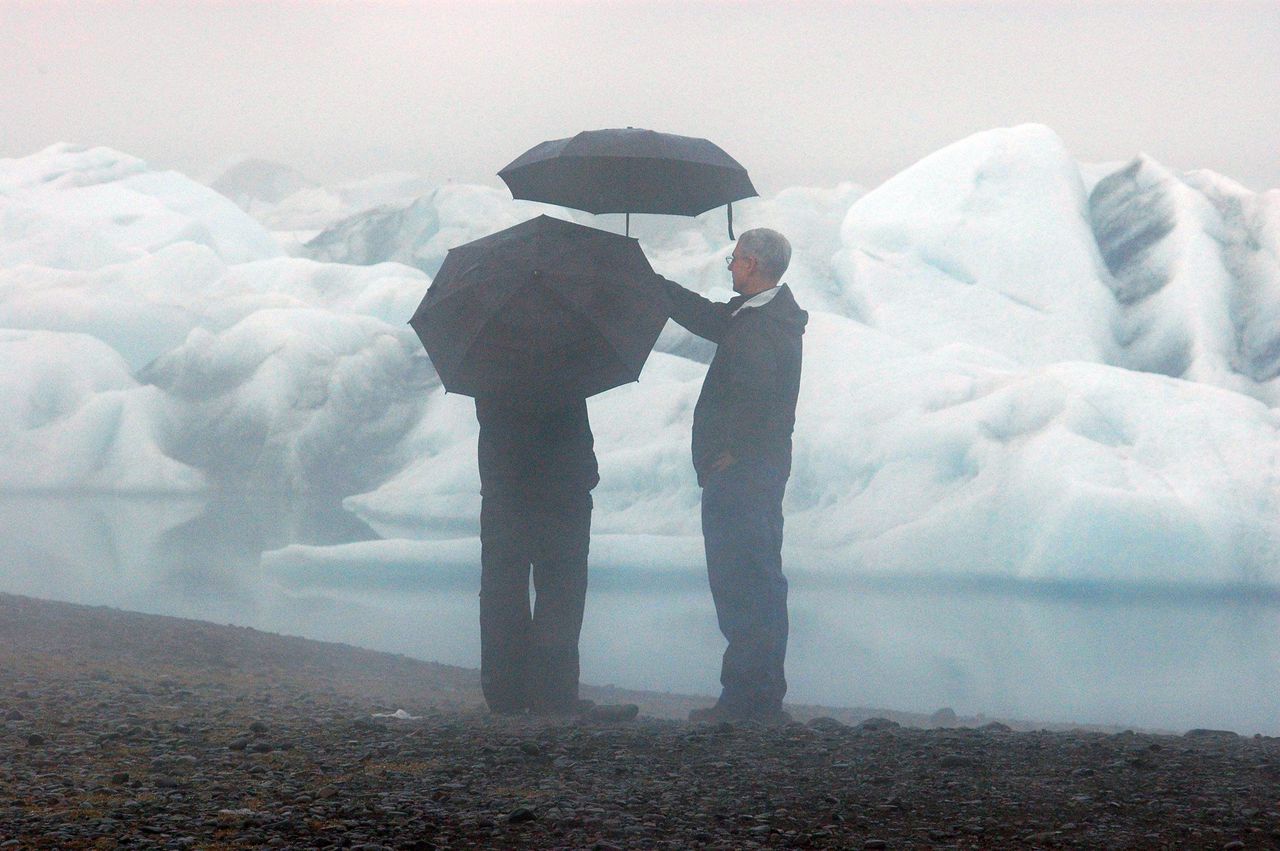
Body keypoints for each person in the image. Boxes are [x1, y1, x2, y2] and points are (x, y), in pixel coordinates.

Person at [657, 228, 808, 724]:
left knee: (744, 578)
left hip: (744, 473)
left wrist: (733, 453)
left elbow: (761, 397)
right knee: (753, 577)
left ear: (752, 265)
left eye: (735, 259)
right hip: (751, 470)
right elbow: (709, 316)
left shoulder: (763, 325)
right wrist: (652, 284)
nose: (730, 266)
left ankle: (750, 700)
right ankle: (754, 695)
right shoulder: (760, 317)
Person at [474, 394, 597, 716]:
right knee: (561, 588)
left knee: (503, 589)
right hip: (561, 485)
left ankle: (505, 692)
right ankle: (552, 693)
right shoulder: (564, 353)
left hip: (505, 483)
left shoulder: (488, 356)